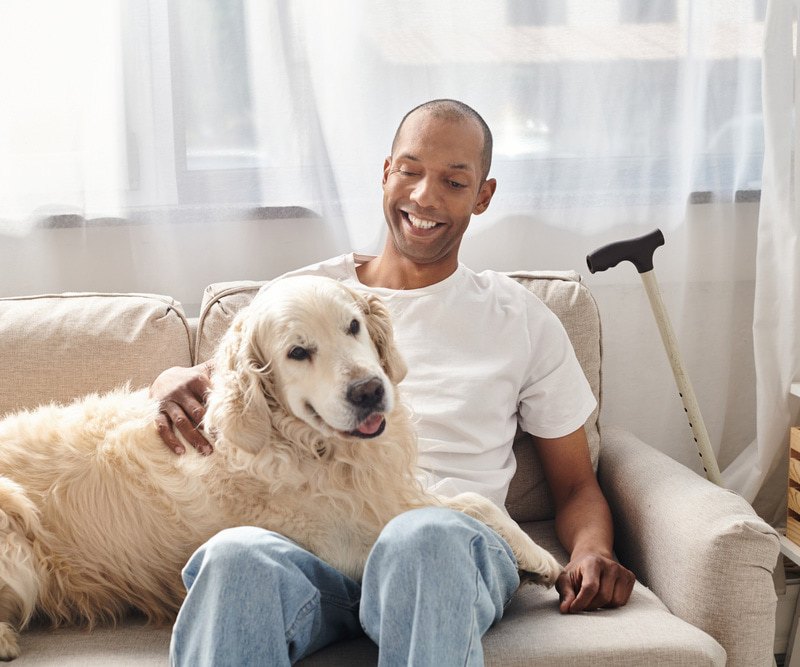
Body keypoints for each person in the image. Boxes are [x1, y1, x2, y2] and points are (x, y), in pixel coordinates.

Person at [152, 99, 635, 666]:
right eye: (409, 171)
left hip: (450, 549)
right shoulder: (304, 296)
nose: (425, 196)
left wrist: (593, 551)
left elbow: (575, 484)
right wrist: (168, 378)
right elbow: (231, 381)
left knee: (421, 537)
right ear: (386, 173)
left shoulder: (522, 318)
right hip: (318, 549)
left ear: (483, 195)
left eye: (454, 181)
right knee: (233, 555)